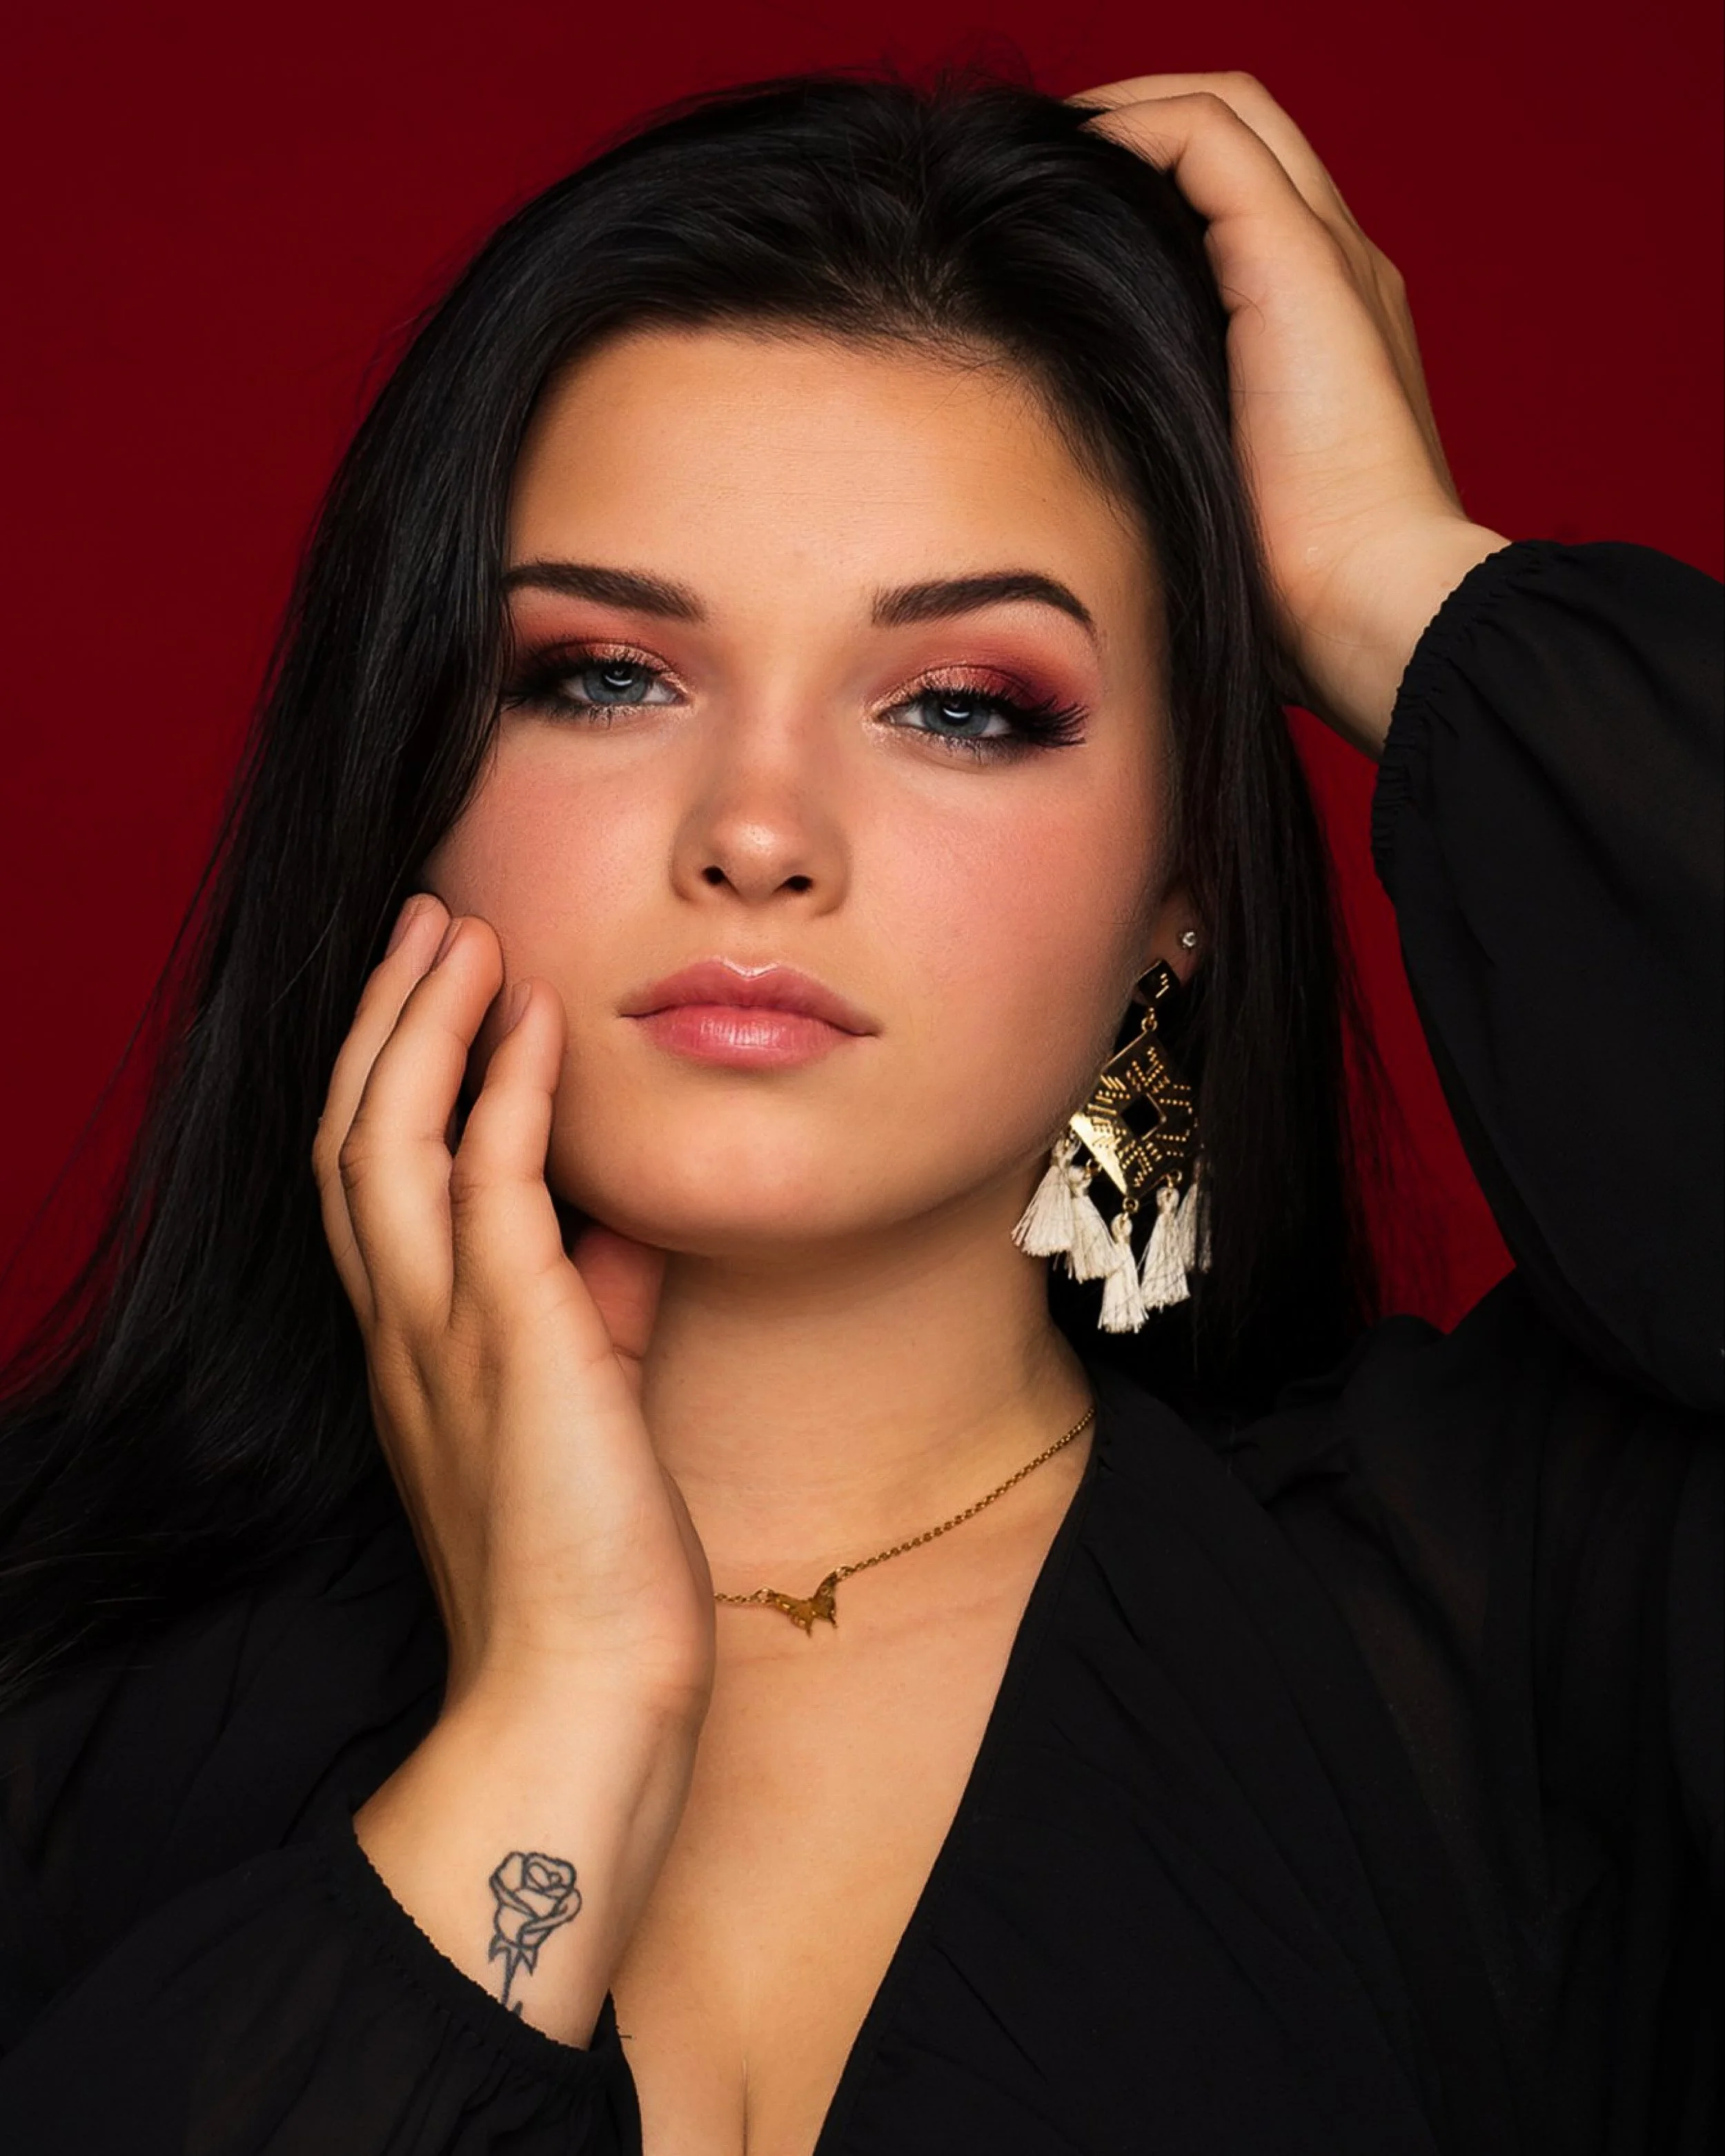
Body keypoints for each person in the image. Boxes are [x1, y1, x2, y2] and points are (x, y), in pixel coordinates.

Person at [0, 63, 1717, 2156]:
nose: (755, 831)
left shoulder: (1519, 1627)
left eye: (963, 706)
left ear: (1180, 886)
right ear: (413, 781)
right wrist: (557, 1724)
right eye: (607, 674)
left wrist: (1386, 581)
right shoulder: (59, 1675)